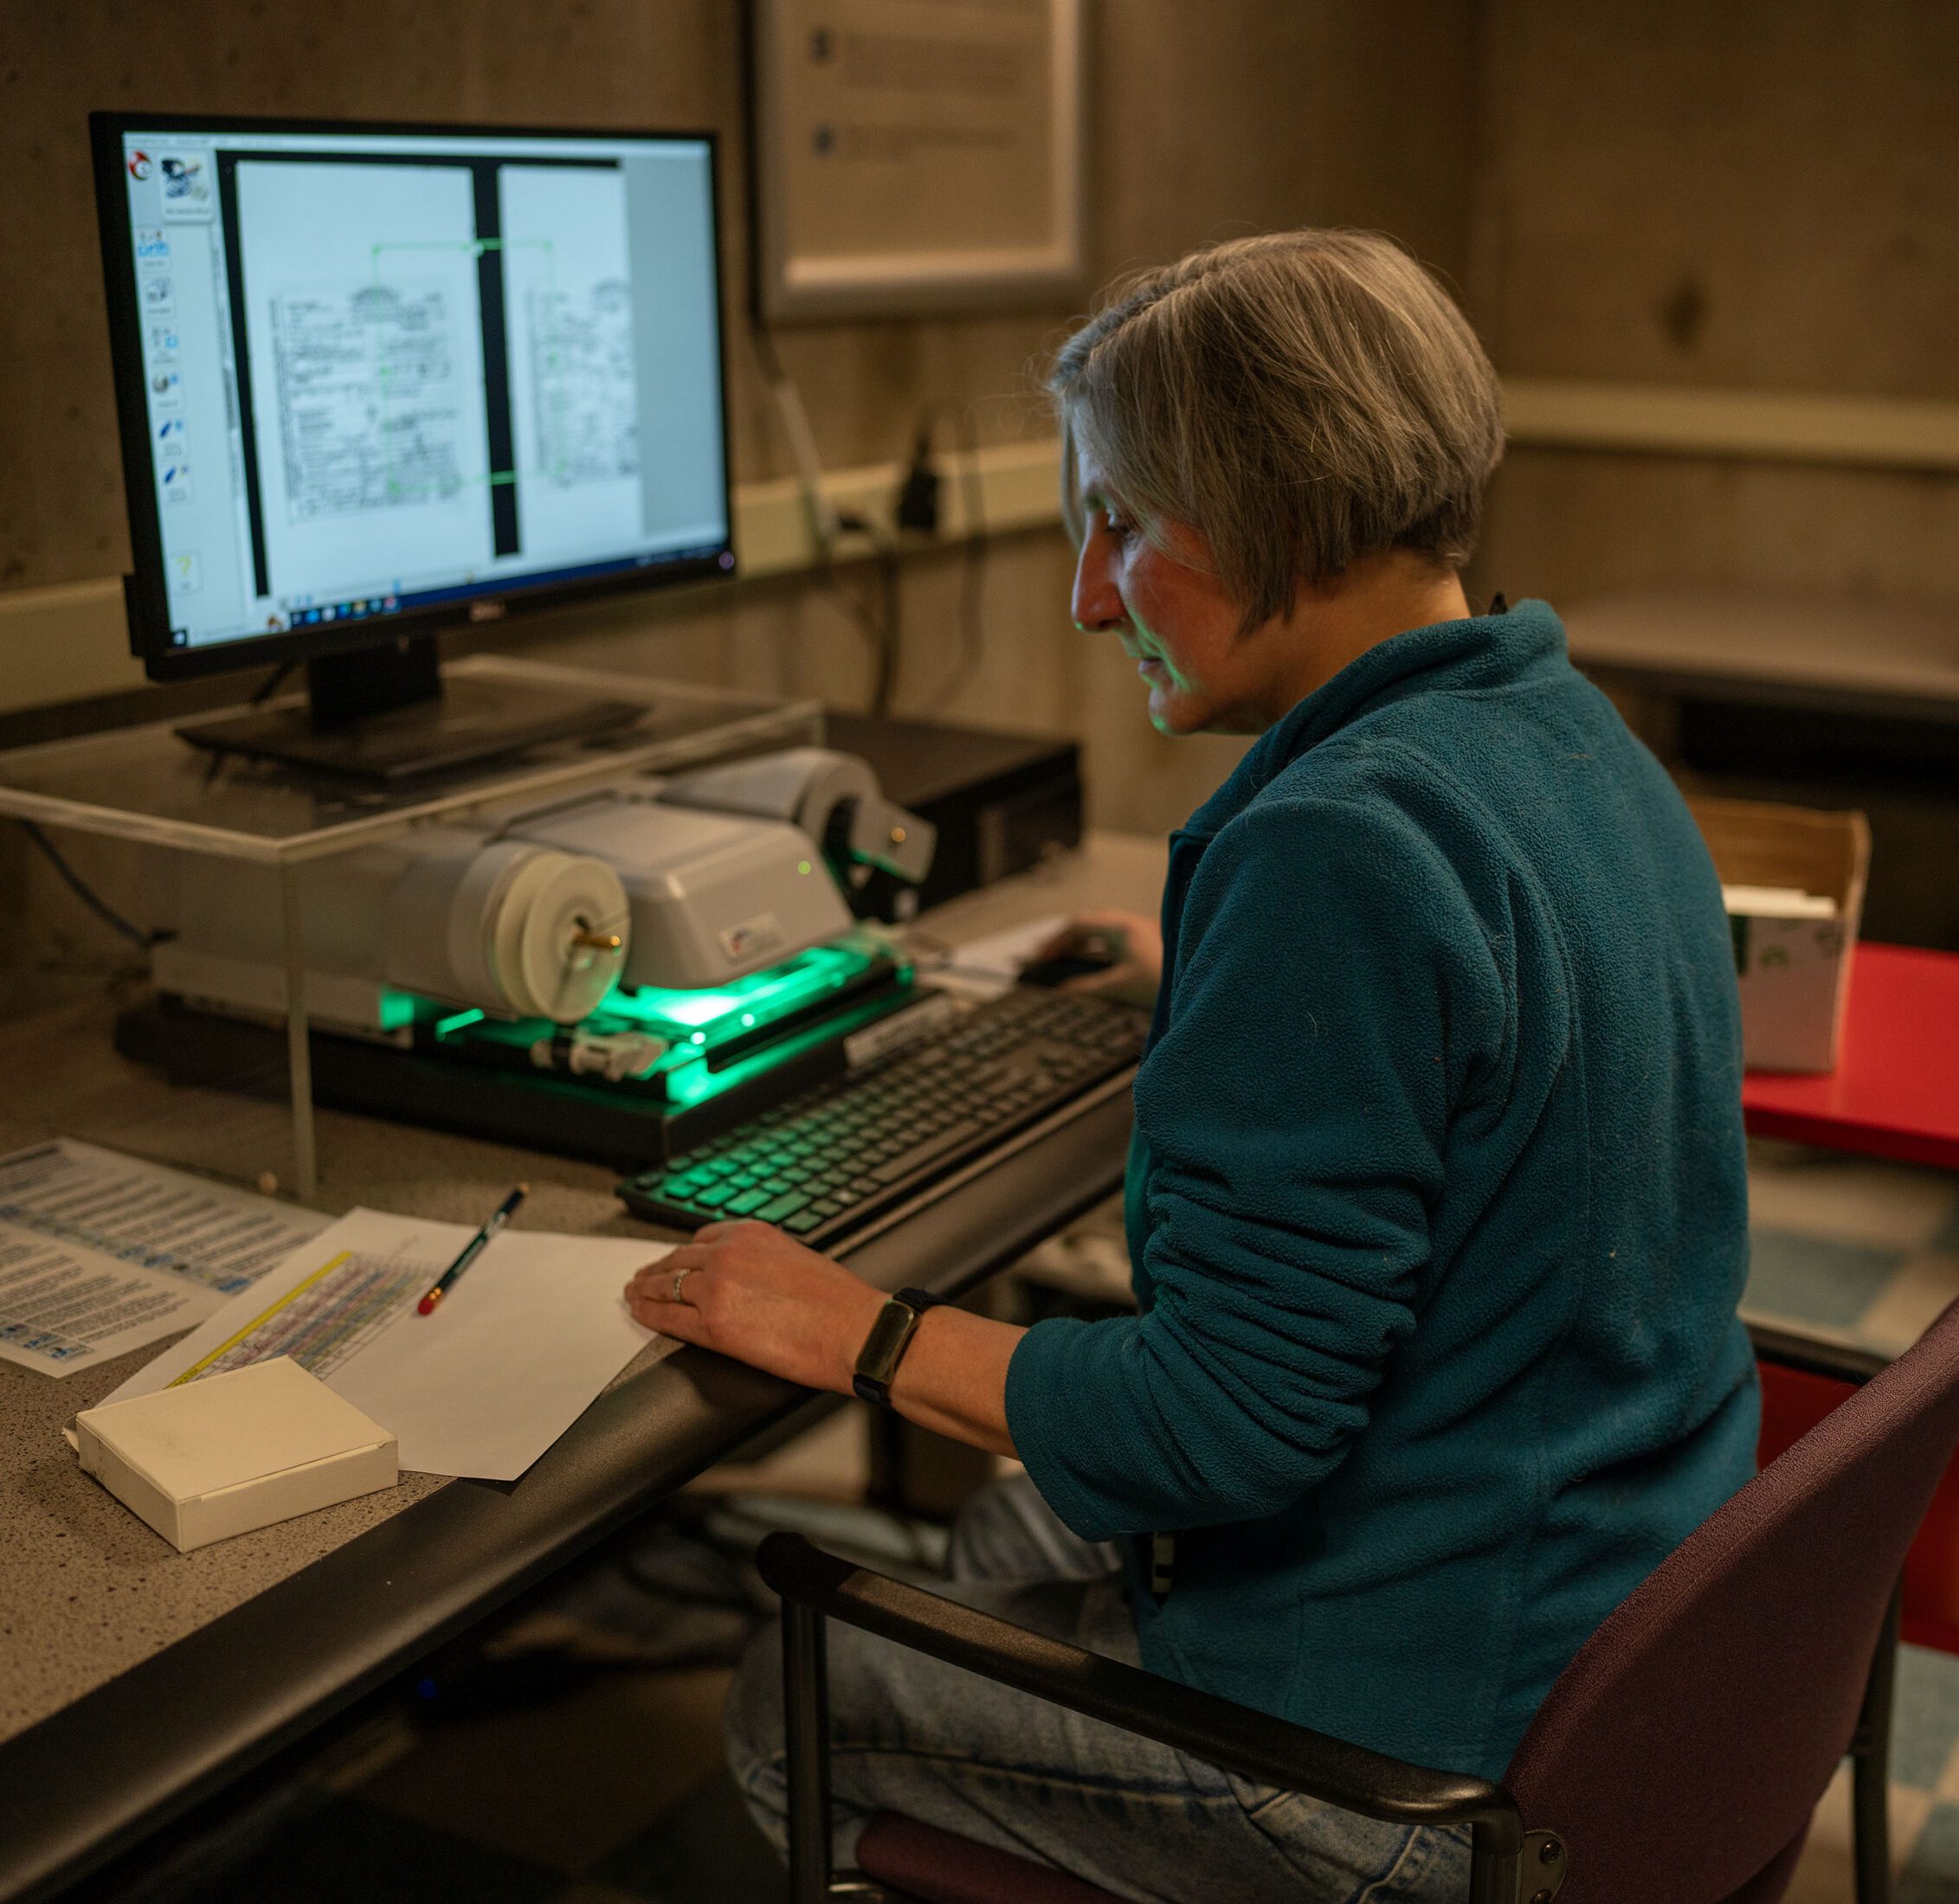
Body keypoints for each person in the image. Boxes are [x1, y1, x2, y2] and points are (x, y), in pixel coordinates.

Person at [622, 228, 1758, 1904]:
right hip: (1609, 1630)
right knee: (1006, 1533)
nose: (1088, 595)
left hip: (1421, 1767)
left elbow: (1227, 1423)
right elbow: (1506, 1020)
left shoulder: (1338, 854)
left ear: (1282, 514)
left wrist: (849, 1326)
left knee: (795, 1698)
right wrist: (1229, 979)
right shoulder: (1566, 735)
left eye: (1122, 526)